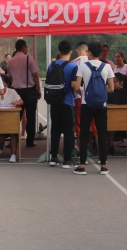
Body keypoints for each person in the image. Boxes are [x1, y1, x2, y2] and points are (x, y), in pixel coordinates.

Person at [72, 41, 115, 176]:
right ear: (101, 53)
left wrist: (83, 93)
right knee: (102, 133)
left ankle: (82, 165)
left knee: (84, 133)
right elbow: (112, 88)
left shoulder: (83, 66)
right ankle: (103, 165)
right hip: (102, 104)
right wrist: (101, 92)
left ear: (89, 52)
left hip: (87, 103)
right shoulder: (107, 66)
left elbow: (77, 87)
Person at [48, 41, 79, 169]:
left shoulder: (51, 65)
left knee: (55, 129)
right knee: (68, 131)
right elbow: (74, 85)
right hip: (67, 101)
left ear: (59, 52)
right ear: (70, 52)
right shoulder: (73, 67)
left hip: (54, 101)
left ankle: (53, 157)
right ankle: (67, 159)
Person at [7, 39, 41, 148]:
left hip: (16, 92)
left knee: (15, 117)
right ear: (23, 48)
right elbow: (35, 75)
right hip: (29, 90)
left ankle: (13, 141)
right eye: (26, 47)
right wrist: (38, 89)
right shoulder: (29, 59)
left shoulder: (10, 61)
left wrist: (16, 82)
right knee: (31, 117)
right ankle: (29, 141)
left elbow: (10, 77)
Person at [107, 73, 127, 156]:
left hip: (126, 116)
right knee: (112, 124)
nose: (113, 84)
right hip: (113, 116)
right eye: (111, 82)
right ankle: (110, 145)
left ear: (121, 82)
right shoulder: (110, 92)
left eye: (115, 82)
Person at [0, 75, 22, 163]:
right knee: (0, 137)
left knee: (13, 132)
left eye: (3, 85)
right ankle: (0, 149)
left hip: (11, 119)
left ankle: (13, 154)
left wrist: (17, 103)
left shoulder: (12, 91)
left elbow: (21, 101)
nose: (1, 87)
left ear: (6, 84)